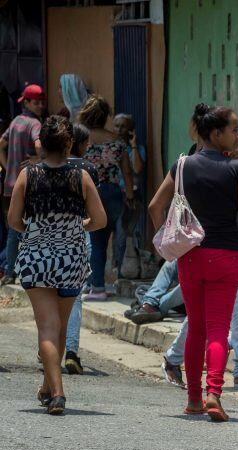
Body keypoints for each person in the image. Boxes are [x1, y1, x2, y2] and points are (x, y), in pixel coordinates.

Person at [149, 103, 238, 422]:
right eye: (231, 129)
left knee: (197, 329)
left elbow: (154, 206)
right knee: (218, 329)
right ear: (216, 133)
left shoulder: (183, 165)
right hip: (227, 256)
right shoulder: (237, 170)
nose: (235, 134)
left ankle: (194, 400)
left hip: (191, 257)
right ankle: (215, 393)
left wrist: (168, 237)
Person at [7, 115, 106, 415]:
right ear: (68, 145)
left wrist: (38, 233)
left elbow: (13, 220)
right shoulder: (81, 177)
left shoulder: (28, 175)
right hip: (72, 260)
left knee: (47, 328)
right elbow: (100, 220)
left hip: (37, 259)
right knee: (60, 327)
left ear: (41, 144)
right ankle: (50, 387)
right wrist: (75, 230)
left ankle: (57, 392)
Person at [79, 96, 134, 301]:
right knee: (107, 240)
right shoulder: (117, 141)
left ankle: (97, 287)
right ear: (105, 116)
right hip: (113, 195)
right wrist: (129, 196)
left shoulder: (81, 139)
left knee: (95, 241)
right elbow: (127, 173)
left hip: (89, 192)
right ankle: (99, 283)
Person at [0, 84, 45, 285]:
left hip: (10, 185)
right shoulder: (35, 124)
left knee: (13, 228)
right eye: (36, 102)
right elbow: (40, 146)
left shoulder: (16, 122)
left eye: (42, 102)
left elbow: (0, 145)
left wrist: (9, 166)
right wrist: (39, 159)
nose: (41, 106)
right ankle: (33, 270)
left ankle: (10, 272)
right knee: (33, 226)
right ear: (26, 102)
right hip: (29, 184)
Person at [62, 123, 97, 375]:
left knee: (50, 296)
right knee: (74, 297)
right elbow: (94, 209)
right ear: (81, 144)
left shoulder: (45, 169)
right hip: (79, 232)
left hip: (49, 237)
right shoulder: (88, 169)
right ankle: (71, 351)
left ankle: (49, 344)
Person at [112, 113, 146, 278]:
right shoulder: (110, 148)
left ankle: (122, 273)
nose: (119, 130)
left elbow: (138, 169)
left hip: (130, 197)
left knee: (123, 235)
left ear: (130, 130)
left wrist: (132, 146)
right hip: (113, 196)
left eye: (123, 126)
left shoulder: (137, 149)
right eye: (116, 126)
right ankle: (116, 270)